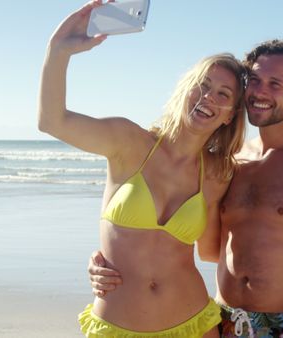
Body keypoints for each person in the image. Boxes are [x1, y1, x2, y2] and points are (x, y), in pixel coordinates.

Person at [89, 39, 283, 337]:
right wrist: (114, 260)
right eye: (254, 80)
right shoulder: (229, 166)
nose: (260, 91)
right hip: (224, 320)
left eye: (275, 83)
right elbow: (202, 247)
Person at [38, 1, 247, 337]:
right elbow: (52, 121)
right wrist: (58, 50)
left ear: (230, 115)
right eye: (203, 85)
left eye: (223, 94)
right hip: (117, 325)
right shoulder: (128, 142)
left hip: (194, 324)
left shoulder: (217, 175)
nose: (208, 97)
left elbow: (211, 252)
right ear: (186, 87)